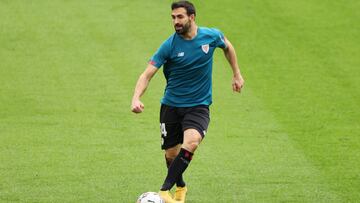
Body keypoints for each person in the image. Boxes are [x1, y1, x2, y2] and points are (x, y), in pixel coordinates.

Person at [131, 1, 244, 202]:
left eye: (180, 17)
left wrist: (236, 74)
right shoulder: (169, 45)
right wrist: (136, 98)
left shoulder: (211, 36)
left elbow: (227, 46)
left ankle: (164, 190)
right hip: (171, 106)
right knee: (171, 156)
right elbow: (147, 74)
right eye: (173, 17)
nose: (176, 21)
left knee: (191, 142)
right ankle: (181, 186)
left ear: (192, 17)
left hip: (198, 106)